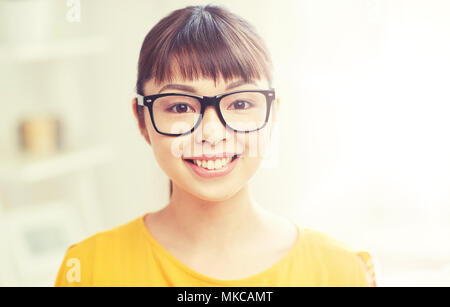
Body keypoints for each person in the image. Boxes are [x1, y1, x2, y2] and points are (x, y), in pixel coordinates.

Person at [54, 4, 376, 287]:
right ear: (142, 120)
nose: (211, 132)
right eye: (181, 107)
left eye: (239, 104)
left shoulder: (342, 273)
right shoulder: (88, 270)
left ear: (272, 114)